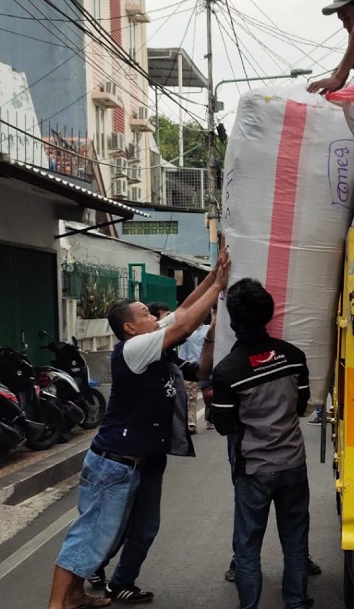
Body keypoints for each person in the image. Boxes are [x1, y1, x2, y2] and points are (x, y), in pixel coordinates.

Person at [47, 252, 229, 609]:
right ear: (130, 327)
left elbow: (181, 312)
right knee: (90, 535)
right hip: (115, 463)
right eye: (145, 313)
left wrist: (212, 276)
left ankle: (75, 595)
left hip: (140, 460)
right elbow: (184, 325)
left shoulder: (149, 341)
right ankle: (57, 604)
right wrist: (221, 286)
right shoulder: (135, 347)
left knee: (113, 533)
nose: (155, 316)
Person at [212, 279, 312, 609]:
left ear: (233, 323)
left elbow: (225, 426)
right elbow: (300, 408)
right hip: (294, 464)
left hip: (254, 469)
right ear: (268, 315)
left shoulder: (228, 371)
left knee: (248, 545)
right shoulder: (294, 357)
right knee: (295, 540)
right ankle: (296, 603)